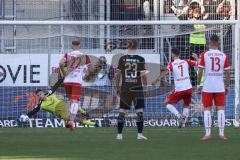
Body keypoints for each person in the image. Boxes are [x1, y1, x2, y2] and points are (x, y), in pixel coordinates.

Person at [20, 79, 98, 131]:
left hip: (63, 104)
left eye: (40, 94)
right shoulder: (41, 105)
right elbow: (34, 111)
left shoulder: (49, 93)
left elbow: (55, 86)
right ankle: (94, 124)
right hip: (59, 111)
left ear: (43, 93)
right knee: (75, 118)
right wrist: (27, 116)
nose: (40, 96)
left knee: (73, 103)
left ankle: (84, 113)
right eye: (38, 95)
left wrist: (62, 79)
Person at [152, 48, 198, 128]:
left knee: (166, 103)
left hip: (180, 89)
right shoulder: (186, 61)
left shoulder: (172, 64)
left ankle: (179, 116)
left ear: (172, 55)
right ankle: (183, 124)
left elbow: (166, 72)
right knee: (186, 105)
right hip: (188, 88)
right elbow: (199, 63)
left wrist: (157, 79)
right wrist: (197, 58)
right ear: (179, 54)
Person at [197, 35, 230, 141]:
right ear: (218, 43)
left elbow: (200, 71)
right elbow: (228, 72)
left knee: (207, 109)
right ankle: (221, 134)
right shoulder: (223, 55)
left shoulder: (205, 54)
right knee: (221, 109)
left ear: (210, 43)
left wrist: (198, 85)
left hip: (207, 86)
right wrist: (227, 85)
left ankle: (207, 134)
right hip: (220, 86)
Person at [114, 39, 148, 140]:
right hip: (137, 88)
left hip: (125, 88)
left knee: (122, 111)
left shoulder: (122, 58)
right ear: (137, 47)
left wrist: (117, 87)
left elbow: (117, 75)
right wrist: (145, 88)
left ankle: (119, 135)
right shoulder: (141, 59)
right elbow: (143, 75)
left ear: (128, 46)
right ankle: (139, 134)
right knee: (139, 111)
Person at [59, 40, 92, 128]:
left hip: (67, 81)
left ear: (71, 46)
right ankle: (71, 121)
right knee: (75, 101)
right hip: (76, 81)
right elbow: (89, 70)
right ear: (80, 46)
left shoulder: (68, 55)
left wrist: (64, 73)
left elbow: (60, 63)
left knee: (70, 100)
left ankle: (68, 119)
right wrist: (86, 74)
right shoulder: (84, 56)